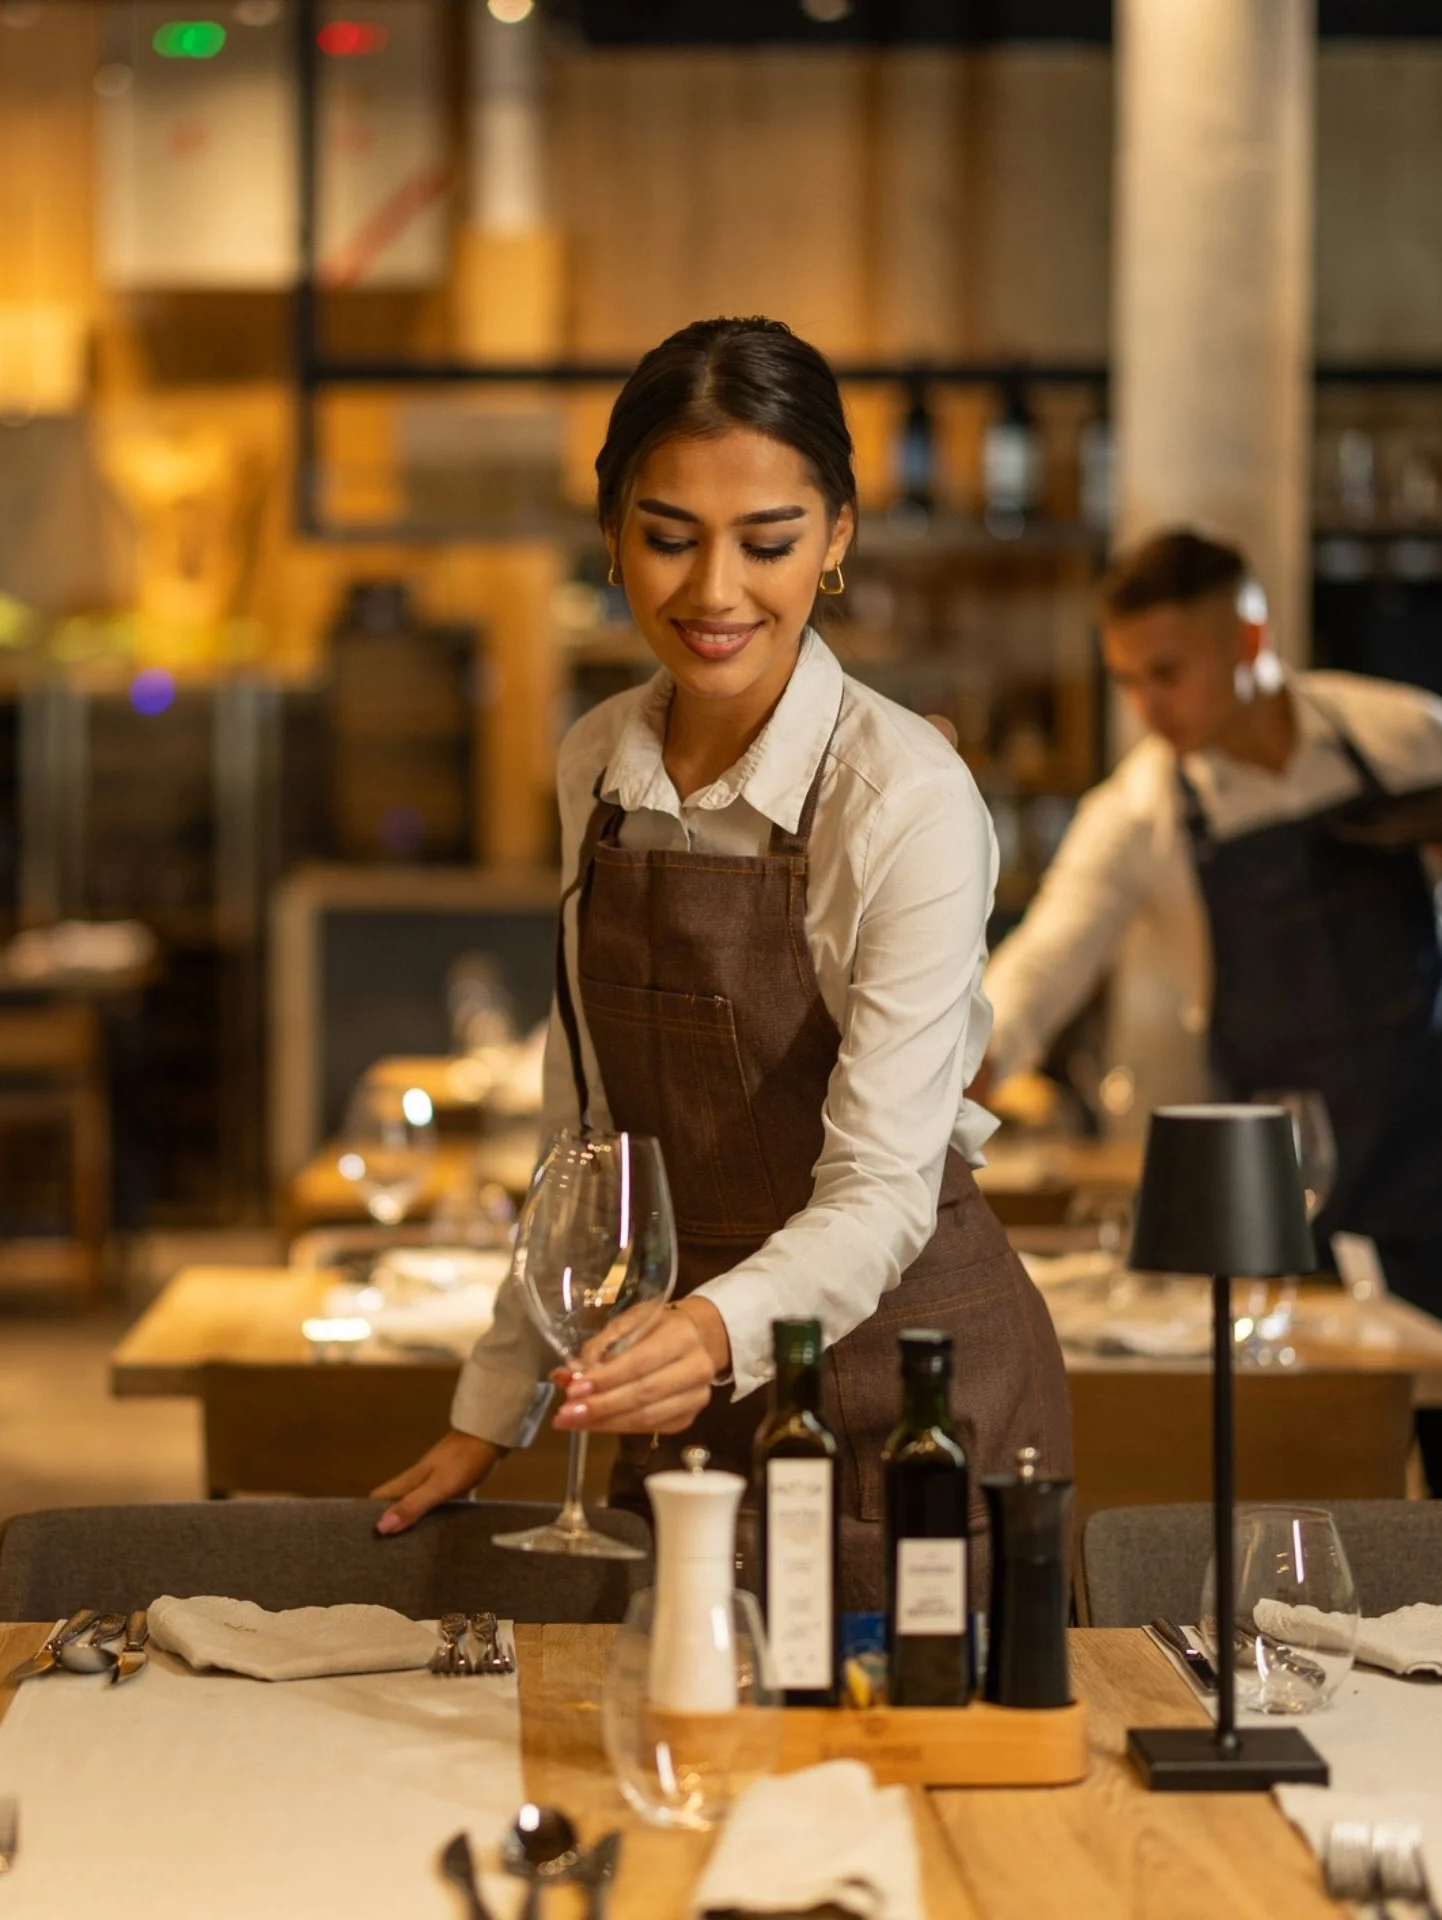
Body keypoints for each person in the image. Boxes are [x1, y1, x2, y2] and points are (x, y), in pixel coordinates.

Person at [373, 317, 1070, 1597]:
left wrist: (706, 1330)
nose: (712, 594)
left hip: (908, 1392)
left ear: (839, 538)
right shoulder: (595, 760)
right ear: (611, 533)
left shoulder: (904, 798)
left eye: (768, 543)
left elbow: (878, 1193)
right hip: (681, 1384)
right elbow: (584, 1135)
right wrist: (497, 1399)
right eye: (668, 537)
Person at [982, 528, 1442, 1499]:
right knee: (1303, 1497)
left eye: (1165, 673)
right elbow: (1041, 964)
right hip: (1288, 1201)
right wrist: (971, 1053)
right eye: (1126, 678)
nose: (1143, 706)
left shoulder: (1406, 736)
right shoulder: (1138, 816)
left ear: (1250, 644)